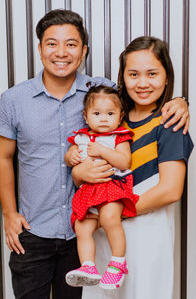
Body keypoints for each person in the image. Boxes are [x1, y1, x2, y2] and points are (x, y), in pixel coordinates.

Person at [0, 8, 189, 299]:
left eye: (71, 44)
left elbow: (143, 95)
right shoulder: (14, 100)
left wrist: (180, 101)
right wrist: (9, 213)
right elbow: (4, 158)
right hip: (42, 230)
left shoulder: (103, 95)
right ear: (39, 49)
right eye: (52, 43)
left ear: (84, 50)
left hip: (87, 231)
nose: (61, 52)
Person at [71, 36, 194, 299]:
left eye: (152, 74)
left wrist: (113, 212)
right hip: (104, 233)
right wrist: (78, 173)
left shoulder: (169, 123)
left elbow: (170, 190)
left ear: (167, 77)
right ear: (122, 78)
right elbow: (84, 164)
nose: (142, 83)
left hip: (145, 232)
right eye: (133, 74)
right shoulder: (112, 118)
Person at [65, 85, 139, 290]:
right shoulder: (80, 137)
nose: (104, 118)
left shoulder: (119, 136)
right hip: (89, 193)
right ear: (86, 116)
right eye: (97, 113)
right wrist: (71, 157)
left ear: (120, 116)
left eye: (110, 113)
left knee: (109, 218)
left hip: (112, 187)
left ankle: (117, 262)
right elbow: (70, 156)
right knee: (82, 227)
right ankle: (88, 266)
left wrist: (102, 150)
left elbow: (124, 162)